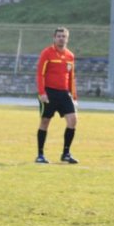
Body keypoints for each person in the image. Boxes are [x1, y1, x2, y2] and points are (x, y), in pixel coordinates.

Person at [35, 27, 78, 164]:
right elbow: (40, 74)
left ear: (67, 38)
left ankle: (66, 153)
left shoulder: (70, 56)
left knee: (73, 120)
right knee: (45, 121)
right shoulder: (47, 53)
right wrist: (42, 93)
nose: (61, 38)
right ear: (54, 38)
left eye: (63, 36)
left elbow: (71, 77)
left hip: (64, 93)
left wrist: (74, 96)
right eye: (59, 36)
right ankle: (40, 155)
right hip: (49, 92)